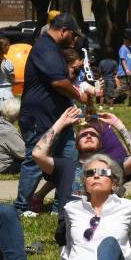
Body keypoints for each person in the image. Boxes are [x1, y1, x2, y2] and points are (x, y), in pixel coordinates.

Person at [16, 13, 87, 216]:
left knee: (70, 160)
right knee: (35, 161)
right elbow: (58, 82)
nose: (74, 41)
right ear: (63, 31)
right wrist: (79, 95)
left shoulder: (53, 49)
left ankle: (63, 206)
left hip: (59, 117)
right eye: (73, 36)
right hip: (40, 117)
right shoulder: (44, 48)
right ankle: (21, 207)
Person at [32, 107, 131, 216]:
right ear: (76, 145)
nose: (89, 136)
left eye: (94, 135)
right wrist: (61, 123)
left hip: (105, 222)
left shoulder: (112, 166)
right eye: (83, 135)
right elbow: (38, 154)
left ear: (101, 144)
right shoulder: (64, 166)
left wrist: (117, 123)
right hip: (72, 225)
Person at [0, 98, 25, 174]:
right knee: (37, 164)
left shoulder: (0, 125)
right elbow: (24, 153)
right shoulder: (7, 130)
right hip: (5, 167)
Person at [116, 33, 131, 106]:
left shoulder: (128, 49)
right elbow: (123, 60)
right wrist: (127, 70)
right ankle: (110, 97)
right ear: (125, 40)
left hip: (130, 72)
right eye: (130, 41)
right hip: (124, 72)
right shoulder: (123, 48)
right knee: (124, 87)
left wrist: (130, 71)